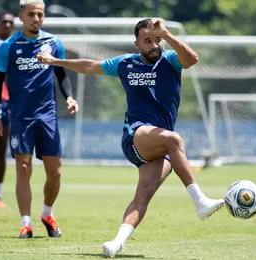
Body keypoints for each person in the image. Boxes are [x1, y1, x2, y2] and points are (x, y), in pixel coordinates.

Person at [37, 18, 224, 256]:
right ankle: (200, 202)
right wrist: (56, 61)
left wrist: (166, 34)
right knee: (175, 140)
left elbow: (192, 59)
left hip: (160, 144)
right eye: (148, 41)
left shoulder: (170, 61)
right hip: (135, 135)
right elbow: (89, 66)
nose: (154, 45)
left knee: (144, 193)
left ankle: (116, 242)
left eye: (157, 40)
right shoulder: (125, 63)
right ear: (137, 45)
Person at [0, 0, 79, 238]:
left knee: (55, 172)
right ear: (22, 16)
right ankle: (26, 223)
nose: (36, 19)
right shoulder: (9, 47)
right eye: (31, 14)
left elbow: (61, 74)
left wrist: (70, 97)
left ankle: (47, 213)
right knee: (23, 167)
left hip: (47, 116)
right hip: (20, 117)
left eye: (40, 15)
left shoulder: (54, 43)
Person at [0, 12, 15, 208]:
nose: (7, 26)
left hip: (5, 102)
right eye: (4, 22)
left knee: (1, 149)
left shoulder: (14, 47)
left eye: (10, 23)